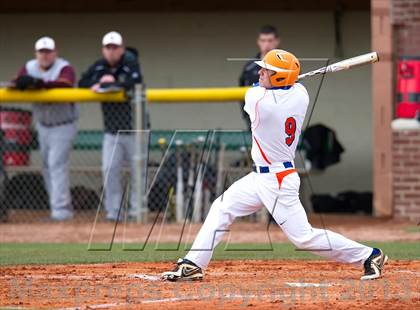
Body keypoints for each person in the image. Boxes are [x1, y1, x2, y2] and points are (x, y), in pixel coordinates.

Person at [162, 49, 388, 282]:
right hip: (260, 177)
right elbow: (280, 86)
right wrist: (279, 78)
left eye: (266, 70)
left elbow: (255, 91)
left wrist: (271, 82)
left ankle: (369, 255)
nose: (260, 72)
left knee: (304, 238)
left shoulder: (259, 101)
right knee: (222, 207)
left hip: (277, 180)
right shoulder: (300, 93)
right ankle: (194, 263)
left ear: (280, 77)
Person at [11, 36, 78, 221]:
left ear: (55, 53)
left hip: (63, 124)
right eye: (41, 52)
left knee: (56, 166)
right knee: (48, 168)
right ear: (36, 53)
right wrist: (21, 82)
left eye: (48, 52)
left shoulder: (64, 67)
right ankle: (57, 209)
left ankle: (61, 211)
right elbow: (19, 80)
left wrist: (39, 84)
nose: (45, 55)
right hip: (43, 126)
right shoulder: (30, 66)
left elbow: (66, 83)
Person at [78, 31, 143, 221]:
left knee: (138, 172)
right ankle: (114, 212)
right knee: (109, 170)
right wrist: (99, 82)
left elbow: (135, 81)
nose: (112, 51)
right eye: (108, 48)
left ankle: (136, 211)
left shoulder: (130, 62)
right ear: (103, 50)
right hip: (111, 130)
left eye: (115, 48)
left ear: (122, 49)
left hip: (135, 129)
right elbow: (82, 82)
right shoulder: (99, 66)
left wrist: (116, 83)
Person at [239, 25, 280, 129]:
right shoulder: (249, 68)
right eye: (263, 40)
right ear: (258, 41)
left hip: (279, 117)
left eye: (270, 40)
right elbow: (242, 95)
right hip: (256, 119)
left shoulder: (287, 65)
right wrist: (247, 117)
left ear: (276, 41)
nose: (266, 44)